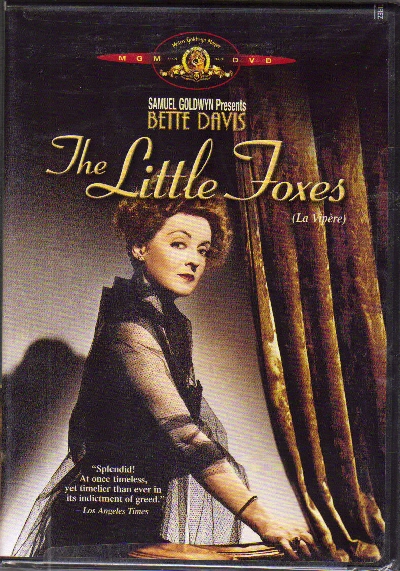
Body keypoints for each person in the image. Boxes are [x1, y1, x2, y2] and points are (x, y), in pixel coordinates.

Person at [13, 194, 315, 560]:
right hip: (98, 527)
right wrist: (264, 520)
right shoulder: (129, 329)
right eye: (178, 244)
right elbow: (186, 436)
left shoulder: (169, 326)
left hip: (138, 521)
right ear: (140, 247)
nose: (194, 260)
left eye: (203, 250)